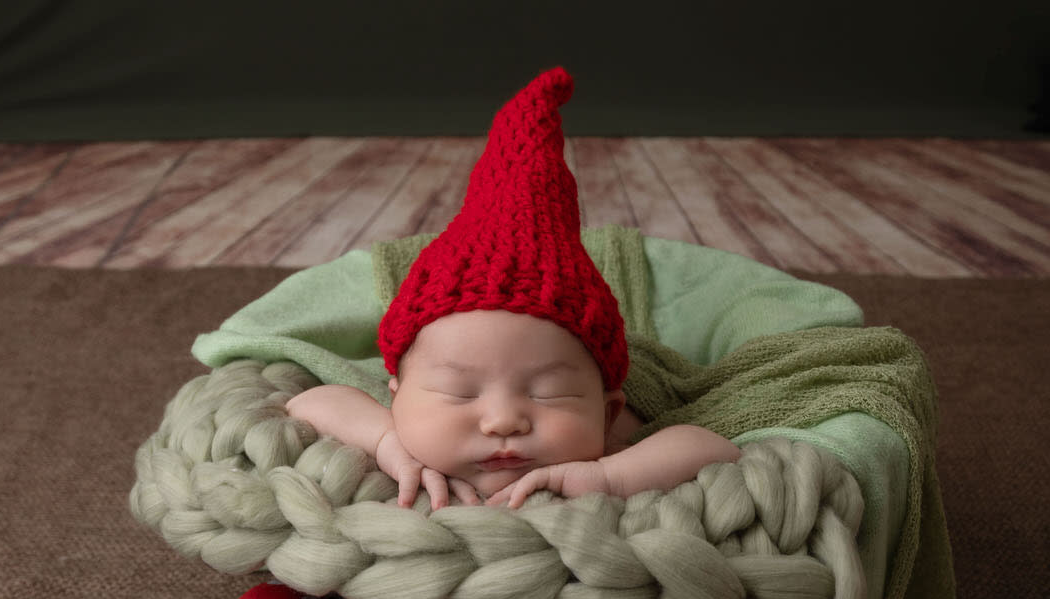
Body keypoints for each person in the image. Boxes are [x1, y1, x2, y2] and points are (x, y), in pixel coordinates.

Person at [286, 67, 740, 509]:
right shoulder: (397, 432)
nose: (504, 420)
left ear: (606, 414)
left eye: (549, 393)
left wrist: (609, 476)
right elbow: (308, 401)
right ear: (396, 396)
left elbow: (712, 446)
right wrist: (385, 438)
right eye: (460, 392)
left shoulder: (607, 449)